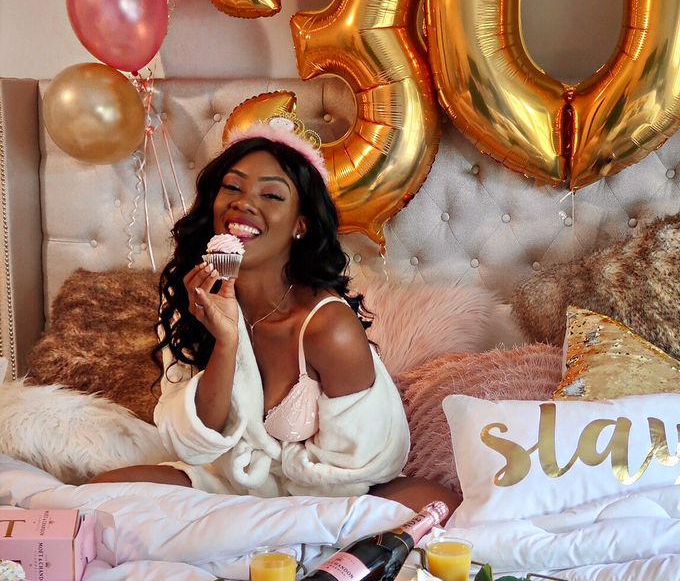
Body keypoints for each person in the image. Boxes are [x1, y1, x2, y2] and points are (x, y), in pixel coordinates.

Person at [91, 115, 461, 515]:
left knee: (438, 508)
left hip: (327, 496)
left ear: (300, 226)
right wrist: (226, 341)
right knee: (92, 497)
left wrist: (272, 513)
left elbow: (357, 467)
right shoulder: (192, 300)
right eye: (231, 187)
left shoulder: (326, 326)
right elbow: (192, 442)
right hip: (223, 484)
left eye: (272, 196)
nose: (244, 202)